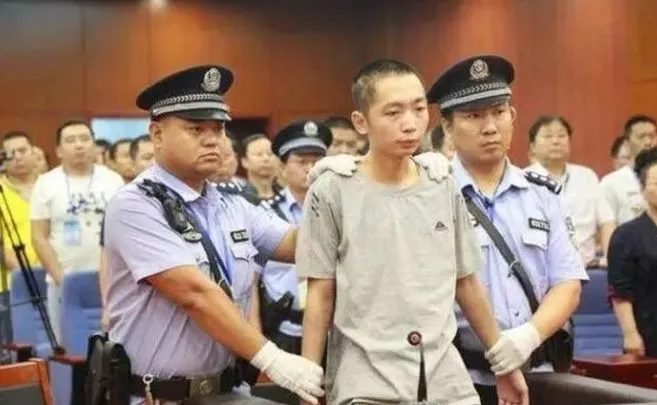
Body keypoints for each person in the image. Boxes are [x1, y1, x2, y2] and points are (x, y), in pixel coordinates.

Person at [297, 59, 528, 405]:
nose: (410, 123)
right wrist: (308, 383)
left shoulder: (441, 183)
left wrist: (503, 364)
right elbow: (321, 292)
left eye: (419, 109)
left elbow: (466, 283)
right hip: (367, 382)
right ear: (361, 122)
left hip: (445, 380)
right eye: (393, 113)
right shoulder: (332, 189)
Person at [102, 65, 323, 405]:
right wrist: (272, 359)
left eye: (218, 129)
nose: (212, 139)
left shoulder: (230, 204)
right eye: (195, 128)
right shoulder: (135, 205)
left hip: (228, 391)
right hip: (160, 397)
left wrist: (343, 191)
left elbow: (297, 244)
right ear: (157, 134)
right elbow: (195, 294)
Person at [426, 55, 588, 405]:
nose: (490, 127)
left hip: (540, 374)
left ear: (512, 117)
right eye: (473, 116)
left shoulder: (543, 194)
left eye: (498, 112)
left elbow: (568, 283)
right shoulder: (429, 194)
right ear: (448, 127)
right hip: (458, 381)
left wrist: (528, 336)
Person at [255, 120, 331, 355]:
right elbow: (251, 281)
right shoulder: (264, 214)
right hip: (283, 330)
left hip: (332, 330)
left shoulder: (338, 210)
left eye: (316, 161)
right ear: (282, 167)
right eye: (301, 161)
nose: (310, 168)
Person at [526, 115, 615, 268]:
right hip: (540, 272)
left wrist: (610, 259)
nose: (556, 141)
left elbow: (607, 221)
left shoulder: (587, 176)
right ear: (532, 146)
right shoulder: (523, 180)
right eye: (548, 136)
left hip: (587, 269)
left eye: (561, 135)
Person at [608, 146, 657, 357]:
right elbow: (620, 291)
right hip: (648, 334)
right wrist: (630, 334)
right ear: (643, 189)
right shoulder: (626, 235)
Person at [601, 115, 657, 225]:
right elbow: (607, 225)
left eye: (652, 136)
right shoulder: (611, 182)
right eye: (641, 137)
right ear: (627, 143)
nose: (648, 142)